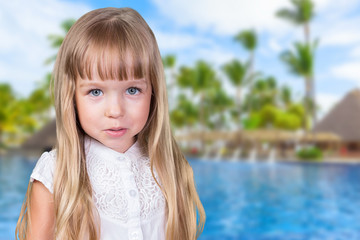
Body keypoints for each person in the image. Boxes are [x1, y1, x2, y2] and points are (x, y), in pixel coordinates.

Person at [16, 7, 205, 240]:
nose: (115, 111)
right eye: (95, 91)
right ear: (72, 96)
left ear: (153, 92)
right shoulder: (55, 174)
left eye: (132, 90)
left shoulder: (169, 168)